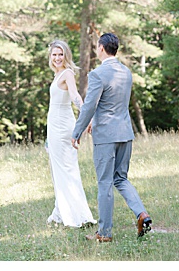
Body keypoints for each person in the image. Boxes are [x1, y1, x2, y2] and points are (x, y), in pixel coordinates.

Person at [72, 32, 152, 242]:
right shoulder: (126, 72)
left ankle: (104, 233)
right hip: (125, 133)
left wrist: (76, 131)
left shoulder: (98, 74)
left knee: (105, 183)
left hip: (106, 136)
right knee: (121, 178)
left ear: (100, 48)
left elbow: (90, 106)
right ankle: (142, 214)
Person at [44, 39, 96, 228]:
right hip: (54, 125)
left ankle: (76, 215)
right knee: (59, 169)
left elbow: (75, 96)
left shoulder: (67, 74)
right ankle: (60, 211)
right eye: (54, 54)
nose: (57, 58)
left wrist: (87, 116)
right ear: (50, 57)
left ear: (66, 55)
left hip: (61, 127)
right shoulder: (57, 75)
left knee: (66, 169)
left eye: (60, 54)